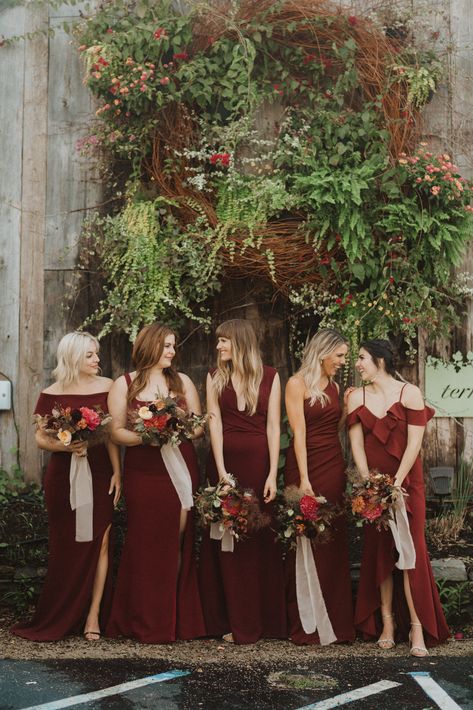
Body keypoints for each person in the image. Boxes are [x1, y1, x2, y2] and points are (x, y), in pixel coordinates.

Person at [11, 331, 121, 641]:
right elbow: (40, 437)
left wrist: (117, 471)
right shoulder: (50, 392)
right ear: (73, 357)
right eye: (90, 355)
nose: (97, 359)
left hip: (100, 473)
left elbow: (111, 433)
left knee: (100, 540)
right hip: (62, 477)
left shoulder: (108, 386)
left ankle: (93, 616)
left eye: (96, 353)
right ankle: (62, 612)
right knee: (66, 546)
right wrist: (68, 448)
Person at [347, 339, 449, 655]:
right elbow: (357, 446)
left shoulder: (410, 394)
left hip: (407, 486)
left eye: (362, 358)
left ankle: (417, 628)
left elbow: (414, 444)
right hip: (375, 490)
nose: (357, 364)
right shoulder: (355, 397)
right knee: (379, 553)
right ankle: (388, 623)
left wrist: (397, 484)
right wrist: (370, 485)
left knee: (410, 554)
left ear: (379, 360)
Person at [105, 322, 205, 643]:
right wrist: (147, 436)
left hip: (180, 465)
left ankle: (174, 616)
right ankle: (145, 617)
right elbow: (116, 431)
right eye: (166, 347)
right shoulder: (125, 384)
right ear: (149, 347)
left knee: (177, 537)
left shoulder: (183, 381)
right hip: (144, 469)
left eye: (174, 346)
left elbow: (199, 428)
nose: (172, 352)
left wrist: (175, 429)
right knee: (146, 540)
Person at [198, 318, 286, 644]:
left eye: (224, 341)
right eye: (218, 341)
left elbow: (274, 427)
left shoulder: (271, 376)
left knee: (257, 541)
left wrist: (272, 473)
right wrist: (221, 474)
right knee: (226, 540)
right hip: (225, 465)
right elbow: (214, 425)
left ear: (239, 342)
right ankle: (230, 619)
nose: (219, 346)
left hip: (259, 464)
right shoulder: (214, 378)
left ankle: (260, 621)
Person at [284, 328, 355, 644]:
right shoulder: (296, 384)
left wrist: (349, 406)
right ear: (323, 352)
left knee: (333, 540)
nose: (343, 361)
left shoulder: (337, 386)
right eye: (339, 355)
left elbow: (335, 426)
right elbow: (299, 433)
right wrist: (304, 479)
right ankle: (308, 624)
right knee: (307, 537)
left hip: (332, 464)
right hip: (305, 465)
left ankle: (336, 623)